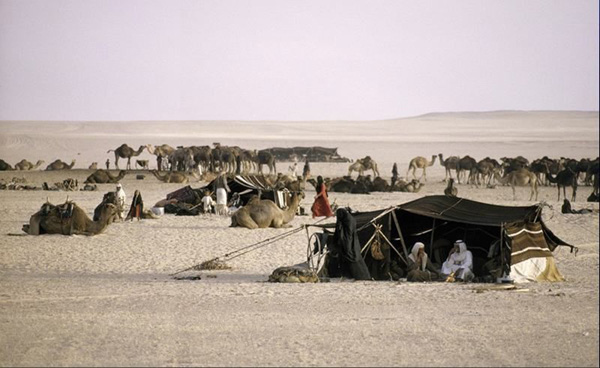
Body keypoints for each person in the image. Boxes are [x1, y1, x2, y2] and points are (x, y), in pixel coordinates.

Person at [329, 207, 371, 280]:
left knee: (353, 260)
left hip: (350, 245)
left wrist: (345, 245)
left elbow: (347, 235)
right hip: (350, 245)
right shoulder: (347, 220)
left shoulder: (348, 221)